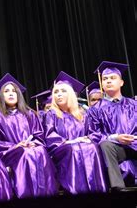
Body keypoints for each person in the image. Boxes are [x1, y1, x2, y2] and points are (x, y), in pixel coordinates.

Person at [0, 73, 58, 198]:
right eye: (6, 91)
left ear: (18, 95)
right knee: (25, 153)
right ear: (1, 96)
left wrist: (34, 142)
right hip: (10, 152)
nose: (10, 93)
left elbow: (38, 134)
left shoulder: (29, 114)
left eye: (14, 91)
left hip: (31, 147)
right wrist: (16, 145)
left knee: (40, 150)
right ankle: (27, 195)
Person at [44, 72, 107, 194]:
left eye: (63, 91)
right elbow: (50, 137)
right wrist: (72, 141)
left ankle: (98, 192)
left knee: (91, 147)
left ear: (71, 94)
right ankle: (76, 192)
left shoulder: (83, 113)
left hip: (82, 146)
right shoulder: (51, 115)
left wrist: (88, 139)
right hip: (62, 150)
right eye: (56, 92)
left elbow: (94, 133)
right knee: (74, 149)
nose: (59, 95)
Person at [87, 61, 137, 192]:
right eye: (105, 79)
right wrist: (116, 138)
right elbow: (94, 134)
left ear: (121, 82)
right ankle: (119, 189)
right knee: (106, 144)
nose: (108, 81)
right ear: (102, 84)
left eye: (112, 78)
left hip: (135, 144)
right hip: (116, 150)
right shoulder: (95, 109)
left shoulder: (134, 105)